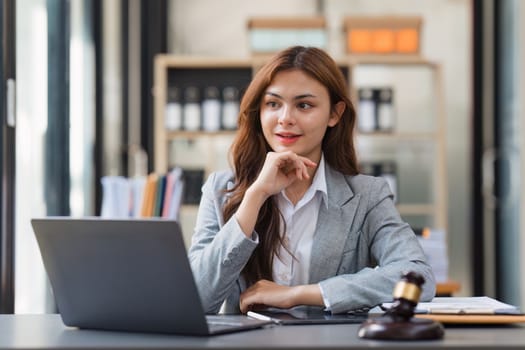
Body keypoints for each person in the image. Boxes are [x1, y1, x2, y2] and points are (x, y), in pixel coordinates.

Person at [188, 46, 435, 315]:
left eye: (304, 105)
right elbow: (195, 299)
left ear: (334, 114)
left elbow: (418, 277)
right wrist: (255, 197)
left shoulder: (367, 195)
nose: (285, 119)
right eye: (273, 104)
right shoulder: (220, 189)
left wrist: (298, 295)